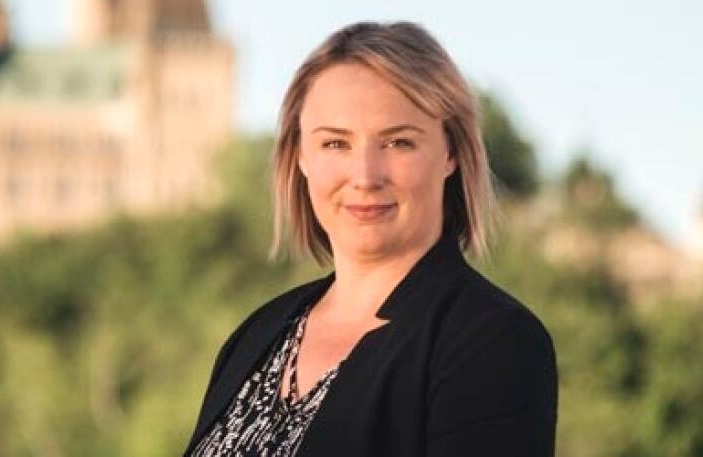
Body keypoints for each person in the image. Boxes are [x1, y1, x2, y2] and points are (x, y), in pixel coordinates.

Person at [182, 21, 558, 457]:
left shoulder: (493, 342)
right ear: (300, 156)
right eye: (335, 144)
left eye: (398, 142)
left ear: (451, 153)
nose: (364, 176)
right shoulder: (256, 337)